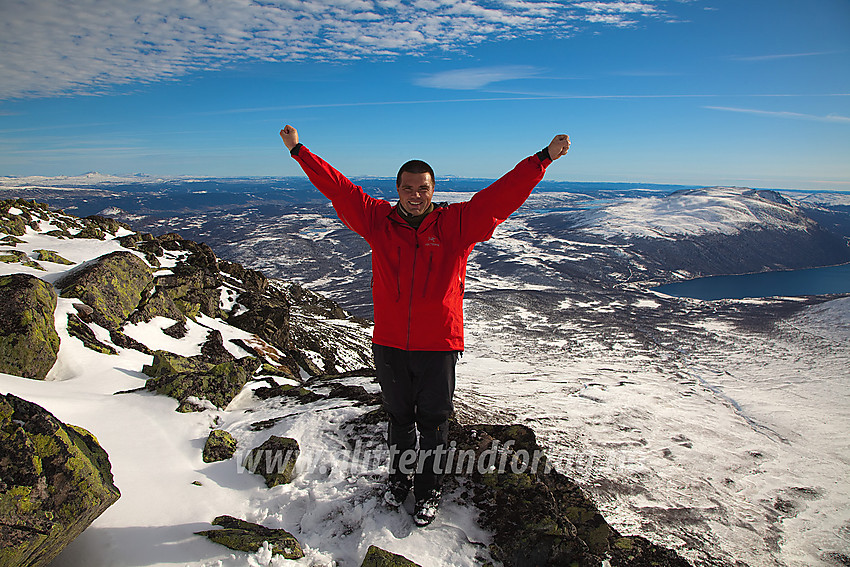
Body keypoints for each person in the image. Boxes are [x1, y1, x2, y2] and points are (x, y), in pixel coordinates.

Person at [279, 124, 570, 526]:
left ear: (433, 190)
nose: (416, 196)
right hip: (391, 343)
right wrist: (299, 151)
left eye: (423, 189)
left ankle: (428, 489)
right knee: (399, 419)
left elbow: (501, 196)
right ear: (397, 189)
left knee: (433, 423)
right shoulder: (377, 220)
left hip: (438, 344)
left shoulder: (457, 223)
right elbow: (340, 189)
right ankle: (399, 480)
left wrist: (543, 159)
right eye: (408, 188)